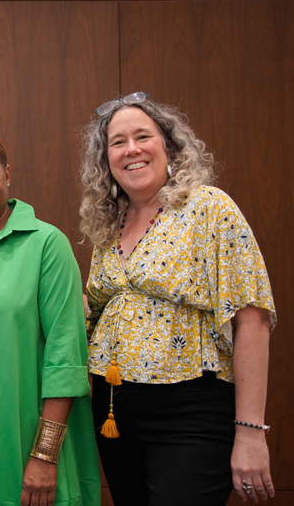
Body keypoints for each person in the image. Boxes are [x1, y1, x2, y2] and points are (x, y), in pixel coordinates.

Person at [79, 93, 276, 506]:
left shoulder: (209, 207)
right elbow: (97, 313)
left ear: (168, 146)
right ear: (106, 160)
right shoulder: (108, 226)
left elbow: (252, 319)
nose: (131, 149)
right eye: (117, 142)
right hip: (115, 415)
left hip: (192, 413)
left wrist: (250, 431)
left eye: (142, 136)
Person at [0, 130, 100, 506]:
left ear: (7, 174)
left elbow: (66, 357)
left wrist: (44, 455)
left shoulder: (46, 244)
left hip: (27, 446)